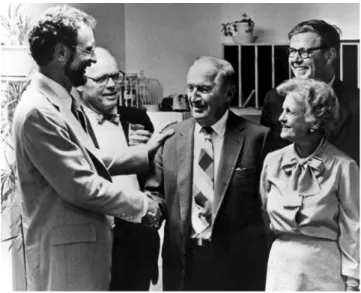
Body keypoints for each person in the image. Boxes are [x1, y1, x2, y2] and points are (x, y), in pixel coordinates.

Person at [12, 5, 172, 291]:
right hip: (68, 264)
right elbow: (81, 185)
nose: (93, 58)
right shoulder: (39, 111)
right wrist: (144, 206)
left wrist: (143, 154)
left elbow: (86, 161)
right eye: (88, 50)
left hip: (85, 256)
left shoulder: (61, 101)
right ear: (62, 53)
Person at [145, 56, 271, 291]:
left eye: (203, 89)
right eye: (190, 88)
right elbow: (156, 193)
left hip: (239, 266)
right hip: (183, 262)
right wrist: (149, 209)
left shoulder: (258, 139)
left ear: (229, 93)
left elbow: (268, 208)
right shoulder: (170, 136)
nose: (194, 97)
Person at [260, 78, 359, 291]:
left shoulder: (344, 167)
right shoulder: (272, 161)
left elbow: (354, 229)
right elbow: (264, 212)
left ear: (314, 121)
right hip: (280, 267)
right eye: (282, 110)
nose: (281, 118)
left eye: (290, 112)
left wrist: (353, 283)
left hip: (324, 269)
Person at [77, 47, 160, 291]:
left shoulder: (136, 118)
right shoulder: (70, 122)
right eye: (102, 78)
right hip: (92, 237)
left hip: (135, 240)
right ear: (80, 83)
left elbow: (155, 177)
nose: (113, 85)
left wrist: (147, 150)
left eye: (116, 76)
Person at [260, 19, 359, 164]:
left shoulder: (357, 101)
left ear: (330, 55)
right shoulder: (275, 98)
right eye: (292, 52)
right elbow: (268, 156)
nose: (295, 60)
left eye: (304, 52)